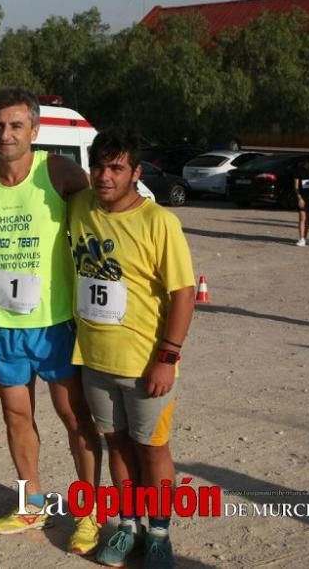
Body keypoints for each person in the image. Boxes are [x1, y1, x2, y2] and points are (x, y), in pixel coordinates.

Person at [0, 88, 102, 554]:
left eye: (16, 125)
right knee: (17, 415)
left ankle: (91, 510)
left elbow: (102, 212)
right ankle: (31, 500)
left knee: (74, 417)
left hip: (55, 323)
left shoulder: (57, 171)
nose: (6, 133)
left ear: (35, 130)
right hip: (4, 322)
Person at [68, 130, 195, 568]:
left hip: (145, 364)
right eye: (99, 167)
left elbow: (183, 293)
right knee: (117, 446)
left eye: (116, 168)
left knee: (152, 449)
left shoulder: (159, 222)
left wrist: (168, 356)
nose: (105, 176)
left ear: (136, 173)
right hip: (94, 360)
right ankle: (128, 526)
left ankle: (159, 533)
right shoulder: (80, 206)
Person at [293, 158, 309, 247]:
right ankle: (301, 238)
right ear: (307, 163)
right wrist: (299, 198)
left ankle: (305, 237)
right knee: (302, 219)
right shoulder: (298, 171)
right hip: (302, 197)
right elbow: (296, 187)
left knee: (308, 219)